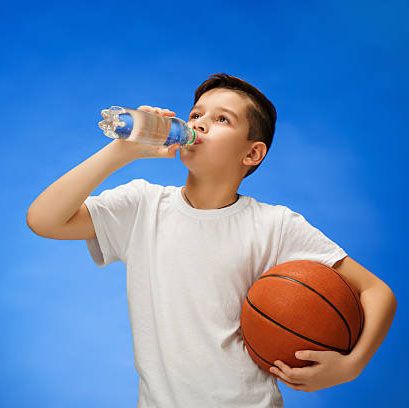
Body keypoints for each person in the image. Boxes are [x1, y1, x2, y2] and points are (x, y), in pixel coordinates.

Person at [26, 73, 397, 407]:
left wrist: (351, 366)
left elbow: (377, 292)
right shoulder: (142, 205)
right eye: (196, 115)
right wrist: (119, 152)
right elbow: (43, 220)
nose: (200, 124)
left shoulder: (275, 225)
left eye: (222, 119)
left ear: (252, 153)